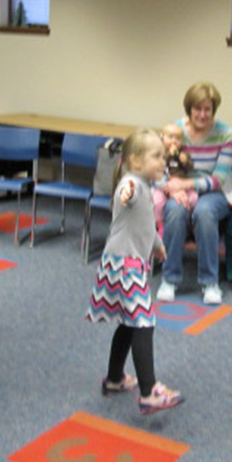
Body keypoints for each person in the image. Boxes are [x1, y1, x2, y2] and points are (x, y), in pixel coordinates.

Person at [86, 128, 184, 415]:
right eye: (156, 156)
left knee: (130, 322)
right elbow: (126, 197)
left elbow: (143, 222)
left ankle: (115, 378)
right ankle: (149, 391)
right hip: (125, 265)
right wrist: (126, 192)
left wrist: (157, 244)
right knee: (143, 322)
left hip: (124, 262)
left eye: (164, 156)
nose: (163, 161)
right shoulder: (131, 183)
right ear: (136, 161)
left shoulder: (145, 185)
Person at [157, 82, 232, 305]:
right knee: (173, 210)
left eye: (207, 109)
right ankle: (169, 279)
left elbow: (219, 179)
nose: (202, 114)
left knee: (204, 212)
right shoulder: (174, 131)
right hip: (177, 187)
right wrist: (173, 189)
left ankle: (210, 282)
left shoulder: (225, 134)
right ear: (188, 109)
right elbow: (159, 165)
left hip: (214, 190)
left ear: (213, 110)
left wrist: (186, 185)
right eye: (197, 109)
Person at [151, 122, 196, 236]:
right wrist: (169, 156)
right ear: (162, 137)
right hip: (162, 185)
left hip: (181, 184)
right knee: (157, 201)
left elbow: (190, 168)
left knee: (194, 198)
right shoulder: (159, 152)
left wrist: (185, 161)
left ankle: (189, 224)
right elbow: (157, 171)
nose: (174, 141)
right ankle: (160, 224)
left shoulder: (184, 153)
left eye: (178, 138)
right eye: (170, 137)